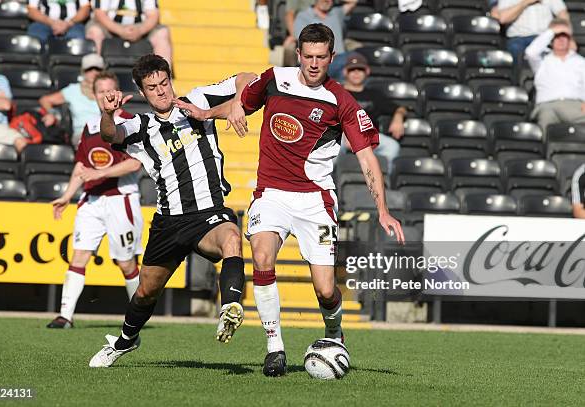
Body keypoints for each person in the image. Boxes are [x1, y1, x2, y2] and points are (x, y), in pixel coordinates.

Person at [229, 24, 404, 376]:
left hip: (315, 201)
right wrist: (227, 106)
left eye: (320, 57)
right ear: (298, 55)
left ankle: (333, 331)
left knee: (325, 290)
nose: (313, 64)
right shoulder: (275, 79)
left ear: (331, 58)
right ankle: (274, 348)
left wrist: (382, 210)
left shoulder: (341, 100)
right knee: (262, 256)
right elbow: (242, 90)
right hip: (271, 193)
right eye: (307, 56)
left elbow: (367, 157)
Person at [88, 54, 255, 368]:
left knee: (232, 236)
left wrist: (229, 106)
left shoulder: (198, 100)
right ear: (142, 92)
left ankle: (230, 308)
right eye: (152, 87)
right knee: (146, 292)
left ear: (171, 80)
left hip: (208, 214)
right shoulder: (140, 126)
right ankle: (125, 341)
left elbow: (249, 78)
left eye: (164, 83)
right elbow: (111, 135)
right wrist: (106, 113)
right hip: (169, 222)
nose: (161, 91)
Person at [47, 70, 143, 329]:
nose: (105, 95)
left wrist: (97, 173)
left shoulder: (131, 122)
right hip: (91, 200)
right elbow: (81, 165)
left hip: (120, 200)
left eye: (110, 90)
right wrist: (67, 196)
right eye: (100, 91)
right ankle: (64, 316)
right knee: (79, 256)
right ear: (95, 95)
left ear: (118, 93)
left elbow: (134, 165)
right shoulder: (90, 126)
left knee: (126, 263)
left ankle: (139, 314)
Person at [341, 52, 406, 171]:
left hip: (368, 136)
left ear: (367, 71)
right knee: (333, 144)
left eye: (360, 69)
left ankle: (382, 180)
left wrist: (398, 118)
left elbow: (400, 108)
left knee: (392, 146)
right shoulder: (338, 92)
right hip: (342, 135)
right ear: (345, 72)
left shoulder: (374, 95)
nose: (356, 72)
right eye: (352, 69)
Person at [525, 18, 585, 134]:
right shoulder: (542, 61)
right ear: (551, 40)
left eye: (564, 36)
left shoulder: (581, 62)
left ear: (570, 39)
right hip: (547, 105)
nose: (561, 39)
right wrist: (552, 31)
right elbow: (530, 52)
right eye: (557, 36)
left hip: (575, 106)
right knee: (545, 122)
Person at [39, 53, 105, 146]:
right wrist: (53, 114)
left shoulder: (108, 90)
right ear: (83, 71)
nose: (94, 72)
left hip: (103, 134)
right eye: (89, 69)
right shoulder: (73, 90)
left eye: (97, 69)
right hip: (81, 134)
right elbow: (45, 100)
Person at [85, 0, 172, 65]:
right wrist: (120, 30)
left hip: (139, 26)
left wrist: (140, 30)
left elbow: (153, 15)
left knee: (162, 33)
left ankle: (164, 79)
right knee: (94, 32)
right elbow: (99, 13)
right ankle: (94, 76)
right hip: (109, 25)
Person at [292, 0, 358, 79]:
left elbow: (353, 2)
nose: (326, 1)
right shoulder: (303, 15)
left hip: (338, 58)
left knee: (355, 61)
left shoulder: (337, 12)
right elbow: (302, 39)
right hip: (317, 60)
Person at [497, 0, 569, 61]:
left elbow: (562, 14)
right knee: (514, 52)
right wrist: (525, 2)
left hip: (544, 38)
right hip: (518, 38)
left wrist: (568, 37)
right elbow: (503, 18)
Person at [26, 0, 90, 46]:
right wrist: (52, 23)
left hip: (73, 24)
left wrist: (69, 23)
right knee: (35, 40)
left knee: (77, 40)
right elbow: (32, 11)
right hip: (44, 23)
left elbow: (85, 9)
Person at [283, 0, 315, 66]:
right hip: (302, 35)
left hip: (322, 32)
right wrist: (294, 36)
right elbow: (289, 14)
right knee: (289, 47)